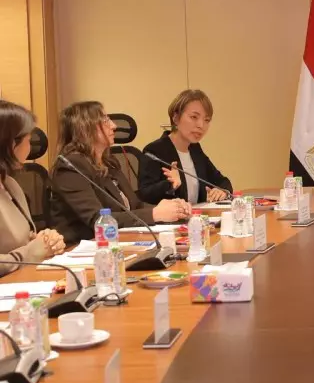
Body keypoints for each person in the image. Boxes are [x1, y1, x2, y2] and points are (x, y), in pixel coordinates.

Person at [50, 101, 191, 243]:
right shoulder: (70, 167)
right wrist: (155, 214)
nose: (114, 126)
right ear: (84, 128)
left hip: (118, 242)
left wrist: (171, 209)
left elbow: (135, 206)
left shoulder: (109, 162)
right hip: (82, 247)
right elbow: (97, 220)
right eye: (105, 120)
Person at [0, 101, 66, 276]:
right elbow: (27, 252)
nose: (31, 148)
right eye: (28, 140)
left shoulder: (10, 184)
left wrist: (46, 241)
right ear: (10, 144)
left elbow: (24, 241)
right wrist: (31, 253)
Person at [138, 90, 232, 205]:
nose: (201, 125)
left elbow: (222, 181)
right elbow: (143, 195)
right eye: (194, 117)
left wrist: (222, 191)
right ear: (176, 118)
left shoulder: (195, 149)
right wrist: (170, 185)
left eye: (206, 120)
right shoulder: (154, 151)